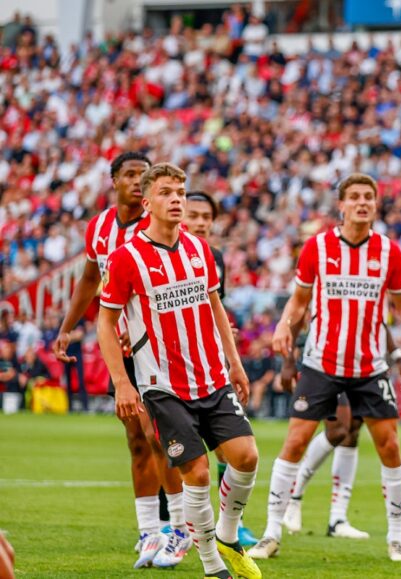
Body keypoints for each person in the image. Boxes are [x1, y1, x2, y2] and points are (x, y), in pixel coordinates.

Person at [249, 173, 401, 563]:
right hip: (322, 363)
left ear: (375, 204)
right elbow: (299, 302)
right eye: (354, 197)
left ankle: (397, 538)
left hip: (370, 366)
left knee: (390, 446)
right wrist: (284, 325)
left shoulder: (390, 252)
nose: (362, 203)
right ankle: (271, 532)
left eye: (368, 197)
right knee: (295, 443)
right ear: (341, 205)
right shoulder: (317, 247)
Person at [98, 163, 261, 579]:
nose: (176, 199)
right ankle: (212, 566)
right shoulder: (126, 258)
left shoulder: (198, 249)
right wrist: (122, 383)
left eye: (181, 192)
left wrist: (235, 361)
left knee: (247, 458)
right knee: (198, 473)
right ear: (147, 201)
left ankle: (226, 534)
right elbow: (105, 321)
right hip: (163, 386)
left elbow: (214, 306)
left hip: (211, 376)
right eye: (167, 192)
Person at [51, 151, 188, 568]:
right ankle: (149, 532)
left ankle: (178, 528)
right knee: (135, 439)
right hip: (121, 350)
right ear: (114, 181)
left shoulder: (158, 225)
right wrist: (67, 325)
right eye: (129, 174)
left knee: (158, 436)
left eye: (142, 175)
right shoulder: (100, 228)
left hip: (158, 349)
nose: (136, 180)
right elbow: (90, 280)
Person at [280, 327, 401, 540]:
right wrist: (289, 359)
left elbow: (377, 320)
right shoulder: (319, 293)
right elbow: (296, 316)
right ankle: (294, 497)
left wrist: (396, 356)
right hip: (325, 362)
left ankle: (338, 518)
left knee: (352, 431)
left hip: (360, 364)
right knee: (339, 429)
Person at [183, 190, 259, 548]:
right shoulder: (150, 253)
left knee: (229, 449)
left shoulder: (213, 257)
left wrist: (225, 341)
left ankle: (232, 522)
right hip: (166, 368)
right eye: (193, 215)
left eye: (206, 217)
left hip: (209, 364)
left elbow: (214, 307)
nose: (200, 223)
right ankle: (169, 524)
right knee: (163, 447)